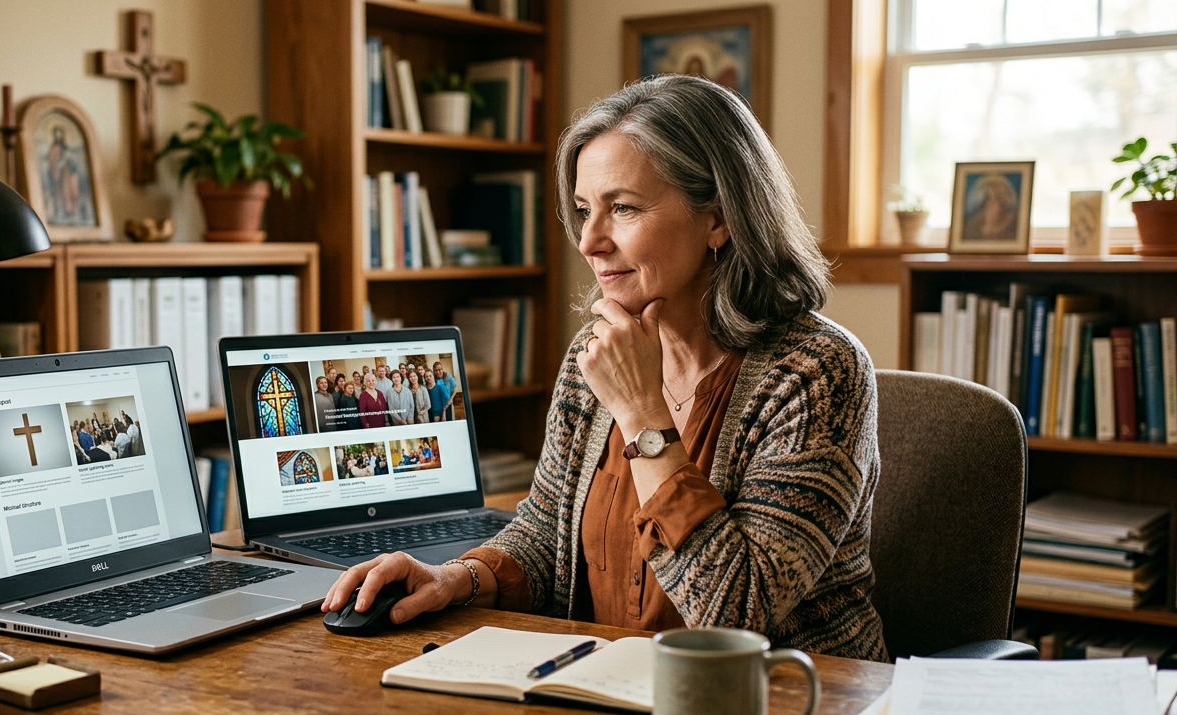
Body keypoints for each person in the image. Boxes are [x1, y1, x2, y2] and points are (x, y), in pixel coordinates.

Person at [322, 75, 887, 662]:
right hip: (608, 691)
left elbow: (737, 612)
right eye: (585, 209)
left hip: (788, 709)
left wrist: (643, 414)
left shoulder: (818, 372)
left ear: (718, 218)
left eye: (623, 208)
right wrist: (456, 578)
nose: (590, 241)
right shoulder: (593, 353)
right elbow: (548, 533)